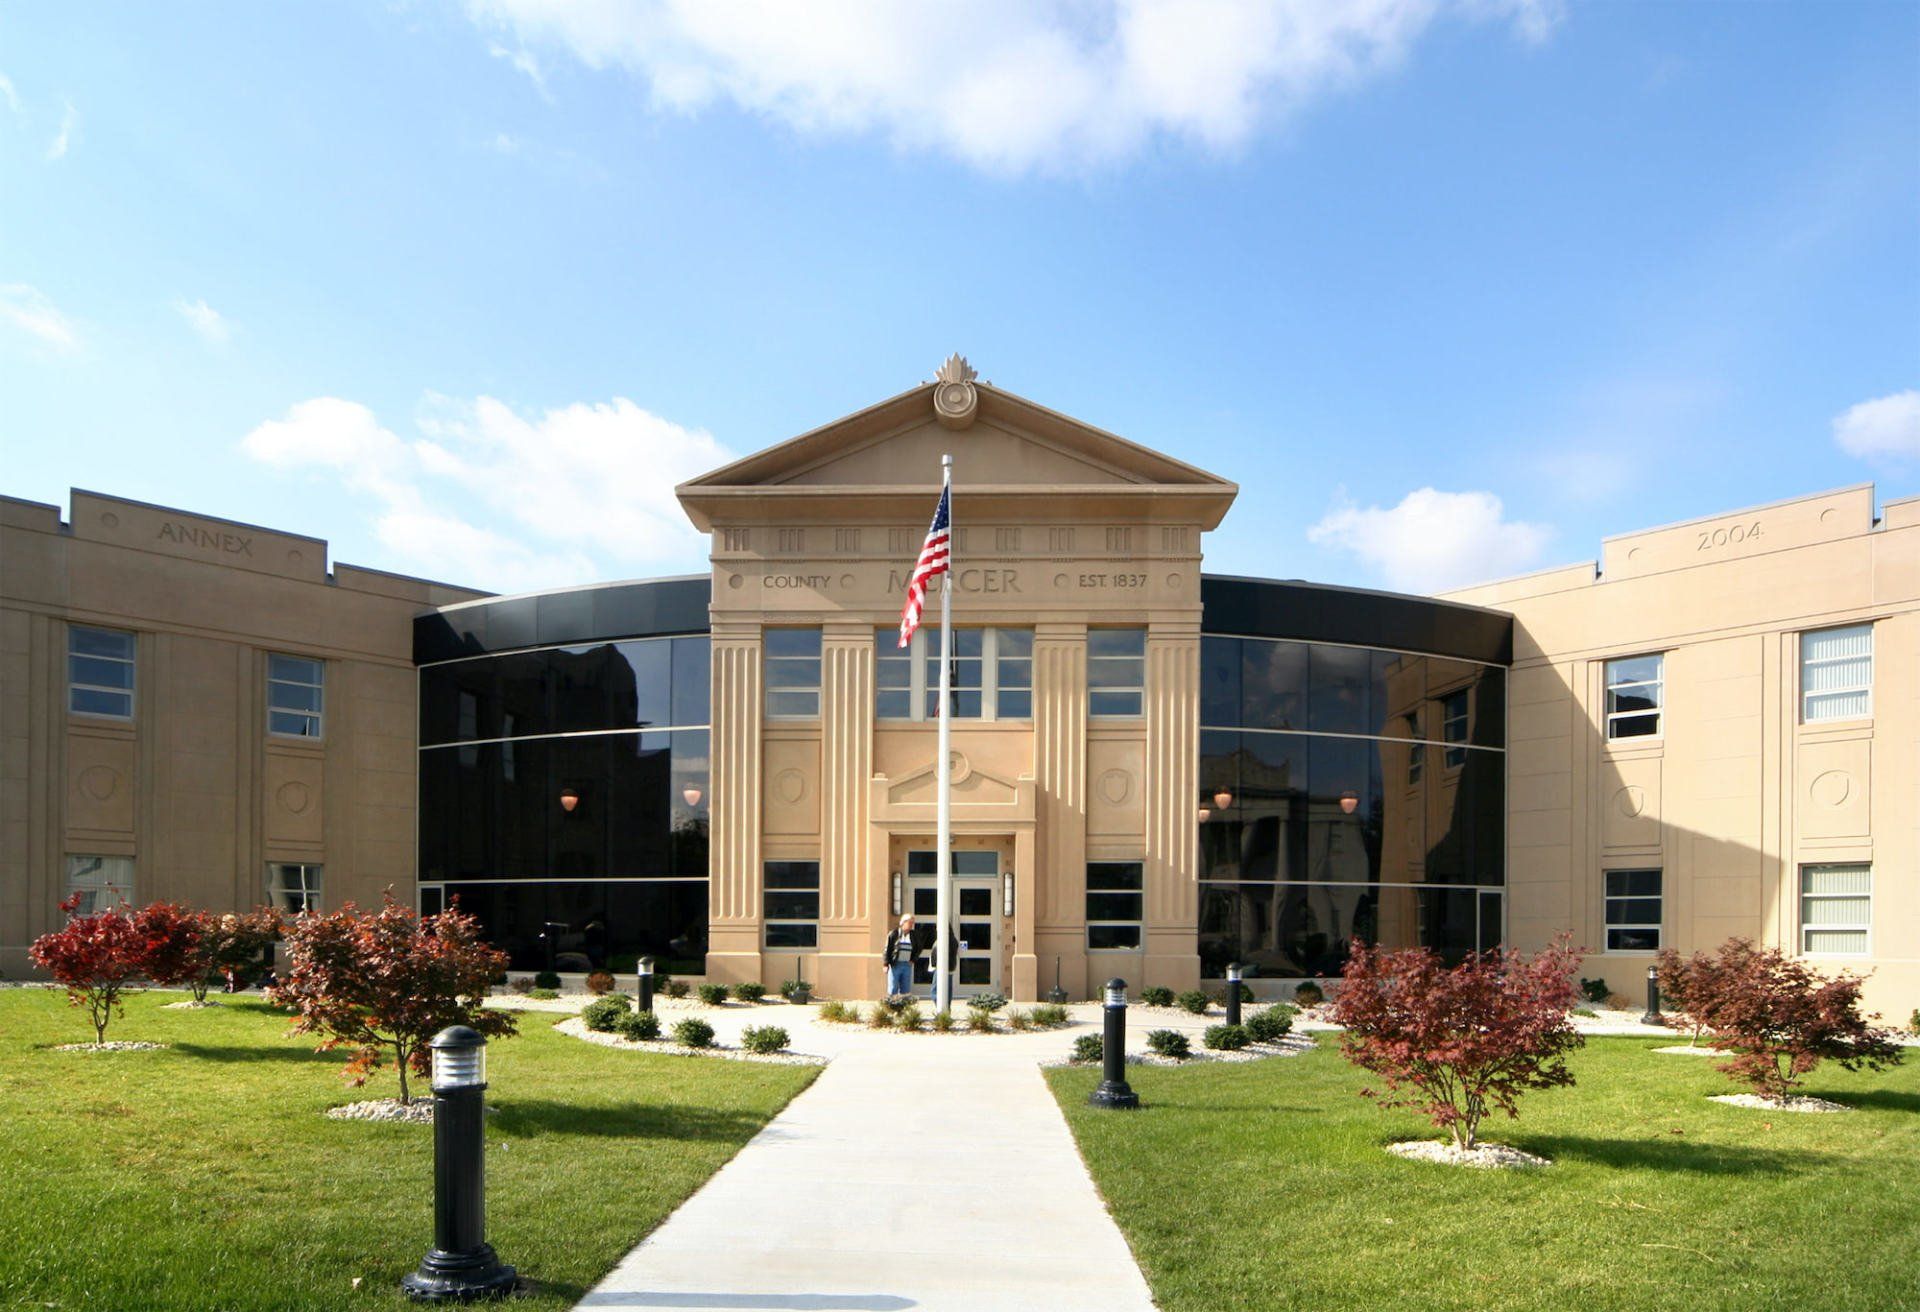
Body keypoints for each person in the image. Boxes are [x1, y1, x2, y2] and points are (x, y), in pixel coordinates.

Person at [883, 914, 918, 996]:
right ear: (903, 923)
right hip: (895, 964)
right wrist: (885, 964)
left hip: (907, 964)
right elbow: (887, 949)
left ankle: (904, 1006)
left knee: (905, 989)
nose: (911, 925)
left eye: (912, 923)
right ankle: (892, 1005)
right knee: (893, 987)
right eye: (910, 923)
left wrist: (913, 960)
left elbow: (917, 948)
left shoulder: (913, 935)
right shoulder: (894, 934)